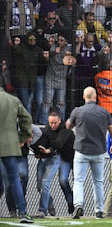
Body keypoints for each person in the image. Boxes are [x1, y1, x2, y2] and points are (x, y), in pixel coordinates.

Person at [66, 87, 112, 219]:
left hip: (81, 150)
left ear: (84, 97)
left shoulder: (78, 111)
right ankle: (99, 210)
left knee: (78, 180)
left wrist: (74, 122)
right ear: (96, 97)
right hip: (98, 151)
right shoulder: (104, 112)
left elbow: (68, 126)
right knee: (98, 182)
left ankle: (78, 204)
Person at [0, 83, 34, 223]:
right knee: (14, 178)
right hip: (9, 144)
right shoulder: (13, 100)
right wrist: (22, 137)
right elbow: (27, 119)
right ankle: (23, 212)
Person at [32, 110, 75, 217]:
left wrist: (48, 149)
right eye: (50, 123)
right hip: (49, 156)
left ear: (60, 121)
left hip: (65, 157)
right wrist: (38, 150)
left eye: (55, 123)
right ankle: (49, 203)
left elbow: (58, 144)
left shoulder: (65, 130)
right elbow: (42, 141)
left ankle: (69, 202)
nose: (52, 125)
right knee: (39, 186)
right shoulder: (47, 129)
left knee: (61, 180)